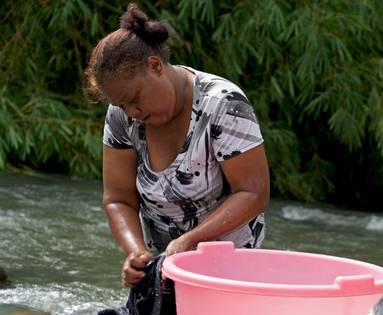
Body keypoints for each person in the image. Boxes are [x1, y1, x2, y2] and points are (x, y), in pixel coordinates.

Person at [86, 4, 269, 288]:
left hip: (230, 270)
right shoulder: (122, 117)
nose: (131, 111)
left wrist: (191, 240)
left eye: (134, 99)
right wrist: (137, 253)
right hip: (164, 269)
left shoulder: (223, 103)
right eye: (121, 104)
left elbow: (253, 192)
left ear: (155, 66)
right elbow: (118, 199)